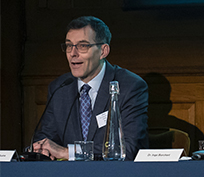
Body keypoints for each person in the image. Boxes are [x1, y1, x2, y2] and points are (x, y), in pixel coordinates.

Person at [32, 16, 149, 160]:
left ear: (103, 51)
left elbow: (128, 148)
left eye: (83, 46)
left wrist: (67, 152)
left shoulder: (130, 86)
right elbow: (46, 138)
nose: (73, 54)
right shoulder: (59, 88)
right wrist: (42, 149)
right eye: (69, 45)